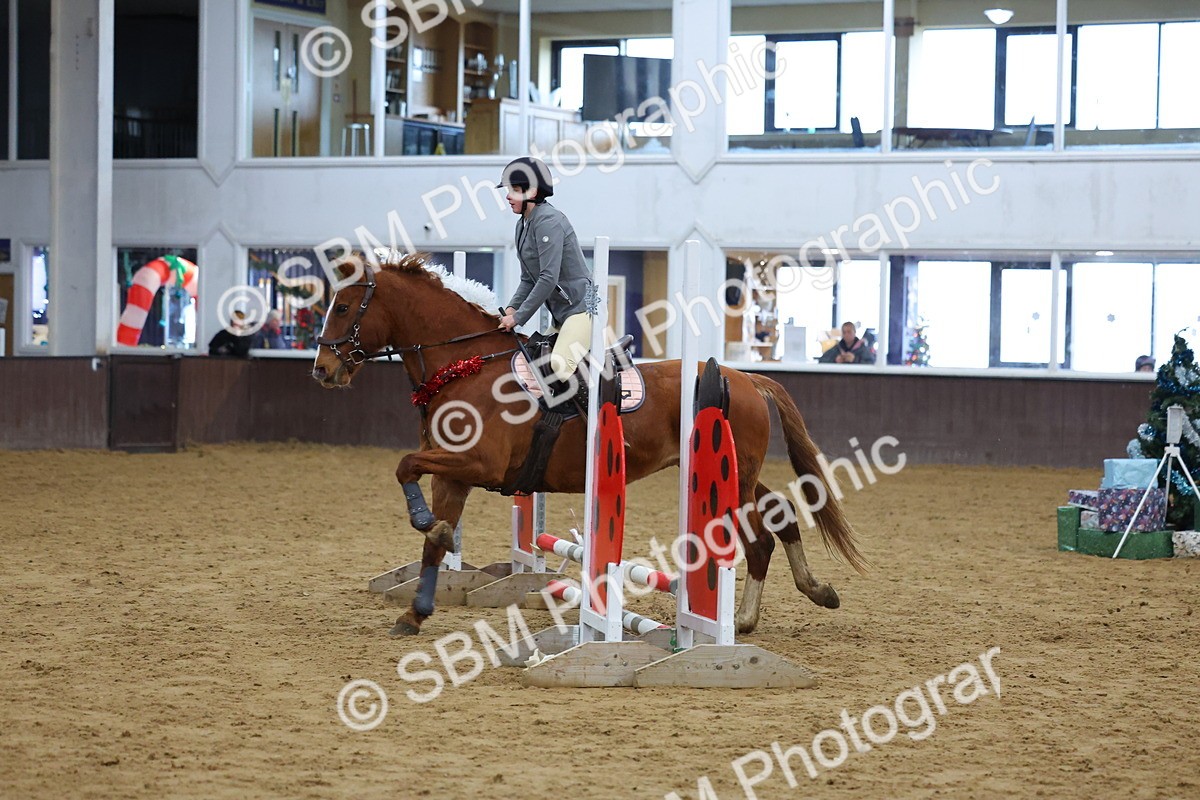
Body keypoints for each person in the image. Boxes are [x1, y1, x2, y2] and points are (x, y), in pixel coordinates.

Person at [495, 157, 595, 406]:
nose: (508, 197)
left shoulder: (549, 221)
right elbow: (527, 280)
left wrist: (518, 318)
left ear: (533, 192)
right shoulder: (523, 225)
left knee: (560, 366)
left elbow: (548, 279)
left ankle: (595, 421)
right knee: (535, 365)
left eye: (514, 191)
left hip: (584, 308)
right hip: (562, 314)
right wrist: (511, 309)